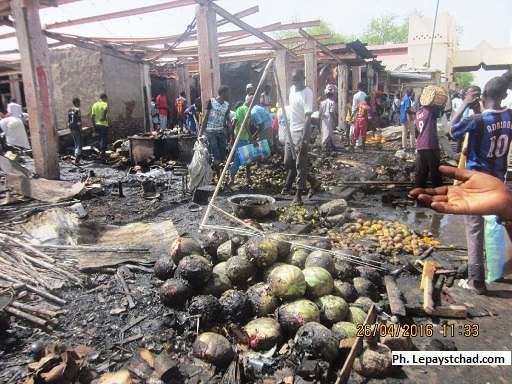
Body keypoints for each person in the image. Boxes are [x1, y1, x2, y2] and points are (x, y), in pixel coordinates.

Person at [449, 71, 512, 294]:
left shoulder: (478, 120)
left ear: (483, 95)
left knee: (474, 228)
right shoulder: (509, 116)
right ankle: (504, 268)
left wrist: (464, 104)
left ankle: (476, 280)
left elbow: (452, 130)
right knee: (503, 223)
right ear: (504, 96)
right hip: (498, 181)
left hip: (476, 184)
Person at [282, 69, 321, 205]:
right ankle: (313, 181)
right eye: (293, 80)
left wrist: (305, 139)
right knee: (288, 162)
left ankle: (298, 195)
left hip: (301, 131)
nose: (295, 82)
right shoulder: (292, 89)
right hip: (290, 131)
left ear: (303, 78)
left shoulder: (307, 93)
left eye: (297, 79)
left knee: (300, 164)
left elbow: (308, 118)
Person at [199, 85, 231, 180]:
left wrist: (230, 130)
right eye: (228, 93)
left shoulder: (227, 105)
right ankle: (218, 177)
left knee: (222, 155)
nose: (229, 95)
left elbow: (226, 119)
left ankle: (217, 176)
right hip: (210, 132)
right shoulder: (211, 102)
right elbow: (206, 117)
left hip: (220, 132)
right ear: (223, 93)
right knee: (215, 154)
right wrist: (201, 132)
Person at [414, 89, 444, 189]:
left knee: (421, 173)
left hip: (420, 145)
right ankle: (438, 196)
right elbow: (442, 109)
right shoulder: (431, 111)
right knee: (435, 173)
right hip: (430, 145)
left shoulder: (418, 113)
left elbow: (416, 131)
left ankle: (418, 195)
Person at [228, 99, 254, 187]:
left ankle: (248, 178)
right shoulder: (245, 108)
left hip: (241, 139)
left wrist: (232, 138)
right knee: (238, 160)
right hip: (241, 139)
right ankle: (231, 180)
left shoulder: (238, 111)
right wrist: (251, 138)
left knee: (247, 159)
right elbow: (245, 124)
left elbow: (233, 124)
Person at [319, 85, 337, 152]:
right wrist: (335, 120)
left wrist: (319, 120)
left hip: (324, 119)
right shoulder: (332, 102)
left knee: (324, 132)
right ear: (332, 95)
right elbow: (331, 112)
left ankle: (325, 146)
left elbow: (320, 113)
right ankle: (329, 146)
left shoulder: (322, 103)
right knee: (329, 133)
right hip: (330, 119)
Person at [68, 97, 82, 164]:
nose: (80, 104)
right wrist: (80, 128)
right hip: (76, 128)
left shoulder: (70, 110)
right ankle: (77, 159)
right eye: (79, 102)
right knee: (79, 143)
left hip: (71, 128)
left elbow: (68, 120)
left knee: (75, 143)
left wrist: (70, 127)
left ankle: (76, 157)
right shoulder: (78, 110)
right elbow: (78, 121)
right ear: (76, 103)